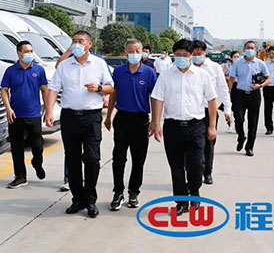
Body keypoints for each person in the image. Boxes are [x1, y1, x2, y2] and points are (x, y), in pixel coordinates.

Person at [45, 30, 114, 218]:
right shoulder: (64, 65)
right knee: (72, 158)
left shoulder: (99, 64)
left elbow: (110, 87)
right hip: (70, 117)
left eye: (81, 41)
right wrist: (49, 111)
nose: (77, 44)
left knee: (92, 158)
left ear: (89, 44)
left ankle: (90, 199)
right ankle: (77, 199)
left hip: (91, 117)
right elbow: (53, 89)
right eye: (74, 41)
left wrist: (99, 88)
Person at [149, 39, 218, 216]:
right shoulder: (166, 75)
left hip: (196, 126)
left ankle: (194, 192)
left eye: (185, 55)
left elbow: (212, 100)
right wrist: (156, 123)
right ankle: (181, 202)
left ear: (191, 56)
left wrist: (212, 126)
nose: (181, 58)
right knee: (176, 167)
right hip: (173, 127)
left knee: (197, 165)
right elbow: (157, 98)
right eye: (178, 55)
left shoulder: (202, 75)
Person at [104, 39, 157, 211]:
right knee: (119, 158)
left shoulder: (149, 73)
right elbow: (114, 94)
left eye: (138, 50)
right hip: (122, 119)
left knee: (138, 159)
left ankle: (134, 192)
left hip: (141, 120)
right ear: (125, 53)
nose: (135, 54)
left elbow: (154, 97)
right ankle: (118, 192)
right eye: (131, 51)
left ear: (142, 52)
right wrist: (108, 116)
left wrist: (155, 121)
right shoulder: (119, 72)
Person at [1, 41, 48, 189]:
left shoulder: (39, 70)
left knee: (37, 145)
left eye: (31, 51)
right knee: (16, 147)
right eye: (26, 51)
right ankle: (20, 176)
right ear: (19, 53)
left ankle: (37, 162)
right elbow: (4, 90)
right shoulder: (10, 71)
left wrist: (48, 109)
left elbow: (45, 89)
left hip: (33, 114)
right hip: (15, 115)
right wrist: (8, 108)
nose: (30, 54)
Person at [191, 40, 232, 185]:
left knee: (208, 144)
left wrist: (227, 109)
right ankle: (194, 173)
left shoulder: (214, 67)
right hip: (191, 112)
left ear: (204, 53)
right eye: (194, 53)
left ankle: (207, 172)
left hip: (209, 111)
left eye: (200, 53)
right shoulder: (186, 67)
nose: (197, 56)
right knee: (192, 146)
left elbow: (223, 88)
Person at [228, 41, 271, 156]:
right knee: (239, 119)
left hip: (254, 95)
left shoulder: (260, 63)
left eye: (252, 48)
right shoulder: (238, 63)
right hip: (240, 94)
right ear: (243, 50)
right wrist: (228, 94)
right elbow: (231, 79)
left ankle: (249, 147)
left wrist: (260, 85)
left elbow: (268, 79)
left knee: (253, 122)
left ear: (255, 50)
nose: (250, 50)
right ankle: (241, 136)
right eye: (248, 48)